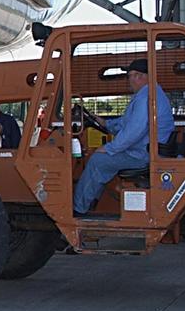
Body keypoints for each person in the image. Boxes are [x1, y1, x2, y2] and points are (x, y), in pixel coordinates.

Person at [73, 58, 175, 215]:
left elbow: (134, 131)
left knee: (97, 161)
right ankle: (92, 203)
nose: (132, 80)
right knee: (101, 158)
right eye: (131, 76)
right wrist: (105, 123)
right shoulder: (146, 95)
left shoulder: (147, 97)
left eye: (137, 75)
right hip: (145, 150)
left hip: (144, 154)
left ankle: (77, 210)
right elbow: (127, 123)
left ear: (148, 76)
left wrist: (109, 148)